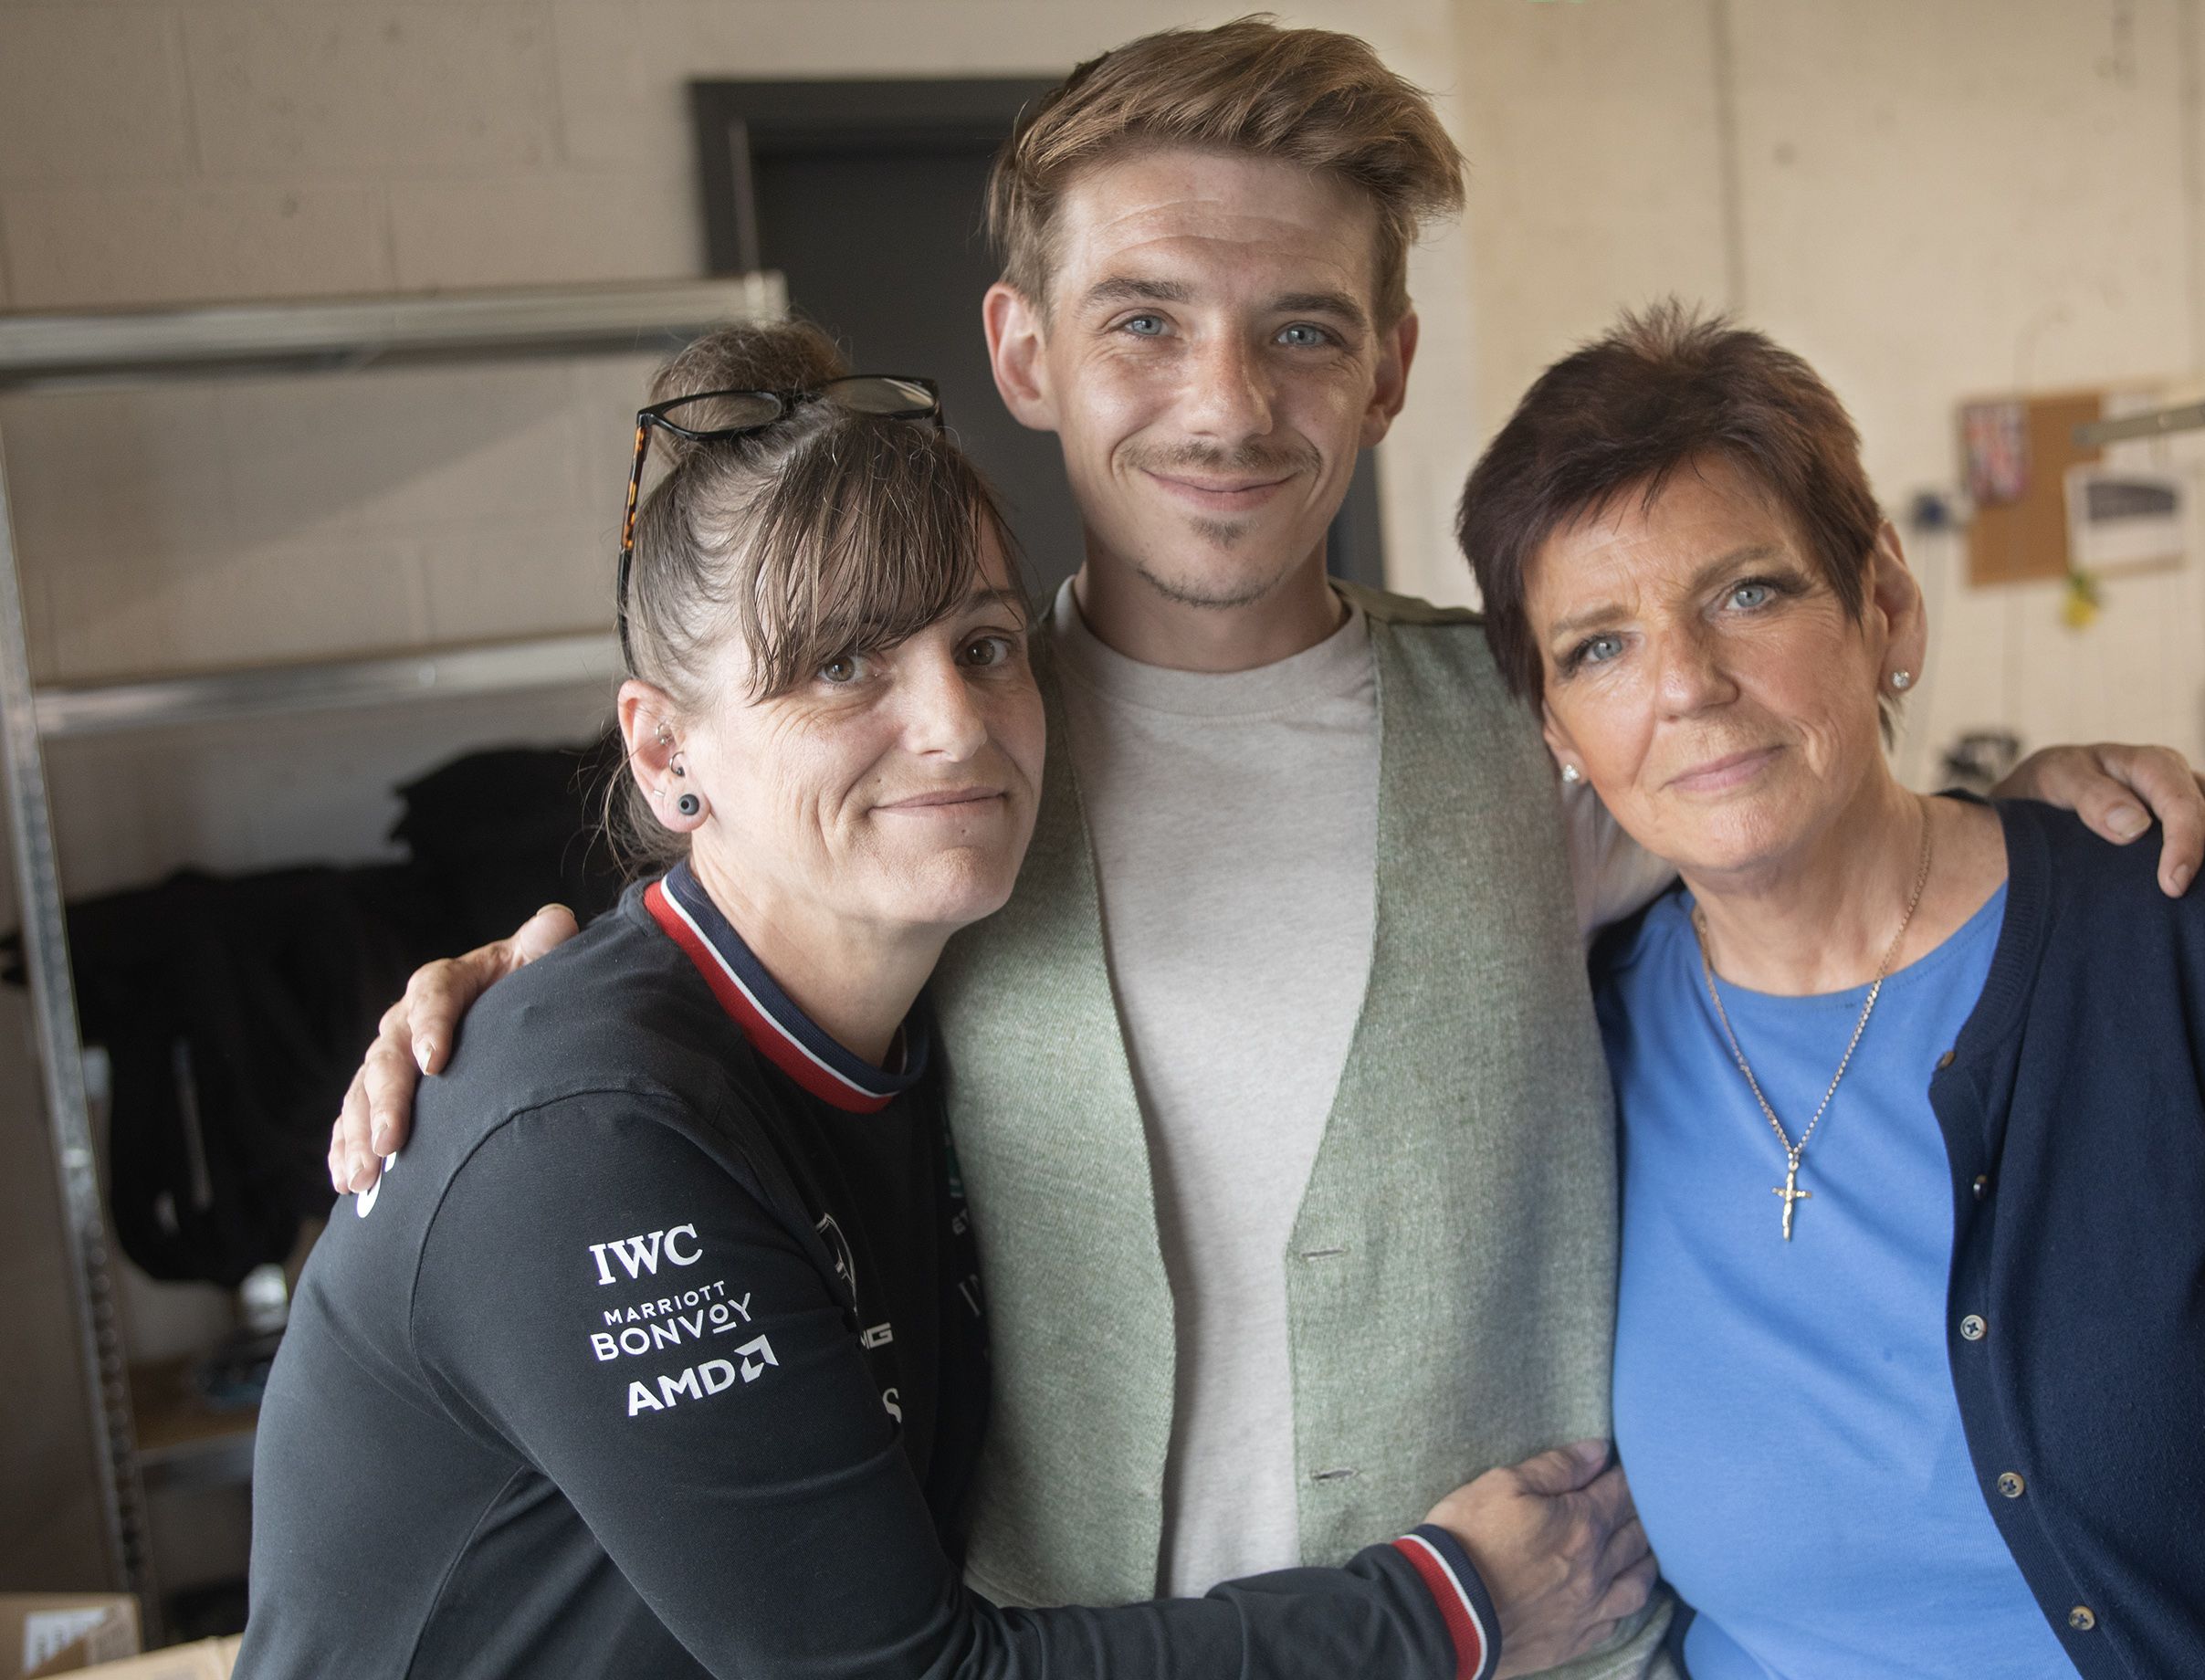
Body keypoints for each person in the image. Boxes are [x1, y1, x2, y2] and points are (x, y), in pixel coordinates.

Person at [326, 23, 2205, 1680]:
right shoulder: (946, 791)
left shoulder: (1545, 731)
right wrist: (525, 1004)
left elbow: (1804, 794)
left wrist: (2053, 785)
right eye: (1143, 322)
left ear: (1388, 367)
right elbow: (730, 985)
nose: (1225, 403)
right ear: (1024, 353)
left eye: (1301, 330)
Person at [238, 320, 1655, 1680]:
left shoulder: (899, 1029)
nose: (955, 725)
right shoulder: (586, 1141)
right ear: (668, 748)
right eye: (842, 664)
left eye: (982, 647)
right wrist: (1444, 1608)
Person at [1458, 301, 2205, 1678]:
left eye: (1748, 593)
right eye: (1598, 647)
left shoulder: (2174, 936)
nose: (1685, 685)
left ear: (1884, 608)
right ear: (1556, 729)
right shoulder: (1573, 1042)